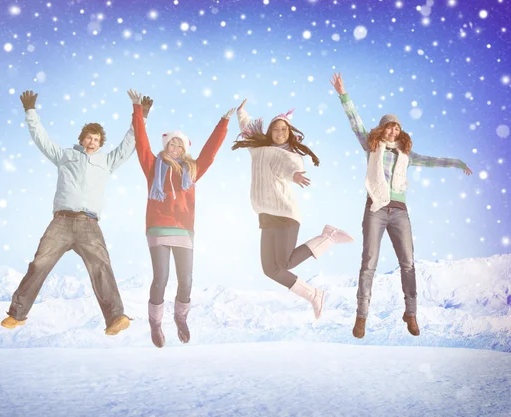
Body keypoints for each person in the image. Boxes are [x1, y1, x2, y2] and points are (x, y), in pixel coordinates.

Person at [330, 72, 473, 338]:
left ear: (400, 130)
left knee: (407, 263)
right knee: (368, 262)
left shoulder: (406, 154)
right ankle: (361, 316)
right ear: (382, 129)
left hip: (400, 212)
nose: (392, 130)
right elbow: (355, 122)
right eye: (388, 126)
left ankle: (411, 313)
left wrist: (457, 163)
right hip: (375, 209)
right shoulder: (371, 146)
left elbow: (431, 160)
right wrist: (343, 94)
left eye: (396, 126)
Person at [1, 89, 153, 336]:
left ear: (100, 143)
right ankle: (16, 315)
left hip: (89, 224)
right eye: (88, 138)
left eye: (96, 139)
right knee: (39, 264)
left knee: (101, 267)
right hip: (61, 222)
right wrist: (30, 111)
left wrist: (141, 116)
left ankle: (115, 318)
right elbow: (41, 138)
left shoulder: (106, 161)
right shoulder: (65, 156)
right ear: (82, 139)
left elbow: (129, 143)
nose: (92, 142)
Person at [129, 89, 235, 348]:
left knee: (186, 280)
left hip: (184, 230)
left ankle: (180, 318)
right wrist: (137, 111)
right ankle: (155, 323)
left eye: (179, 144)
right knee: (161, 278)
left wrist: (223, 123)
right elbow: (141, 142)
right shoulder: (153, 166)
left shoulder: (192, 170)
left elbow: (210, 152)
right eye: (171, 144)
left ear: (185, 149)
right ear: (165, 146)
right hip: (157, 228)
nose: (175, 148)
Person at [232, 99, 353, 319]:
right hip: (266, 216)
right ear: (269, 132)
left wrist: (293, 175)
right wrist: (242, 112)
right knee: (270, 269)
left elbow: (288, 168)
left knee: (285, 262)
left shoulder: (291, 156)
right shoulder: (258, 149)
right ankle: (314, 294)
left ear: (289, 133)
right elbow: (247, 128)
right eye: (276, 129)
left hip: (286, 213)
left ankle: (329, 237)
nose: (279, 132)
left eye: (284, 129)